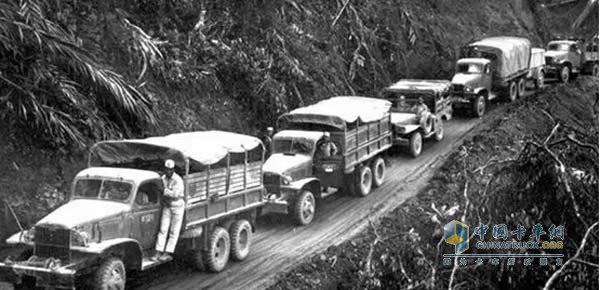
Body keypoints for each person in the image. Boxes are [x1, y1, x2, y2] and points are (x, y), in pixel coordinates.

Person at [153, 159, 185, 262]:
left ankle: (168, 252)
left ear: (173, 170)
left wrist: (163, 191)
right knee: (163, 229)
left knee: (173, 231)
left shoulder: (178, 180)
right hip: (167, 205)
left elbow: (174, 194)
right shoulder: (163, 178)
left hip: (177, 205)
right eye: (167, 170)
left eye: (170, 170)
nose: (168, 172)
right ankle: (158, 251)